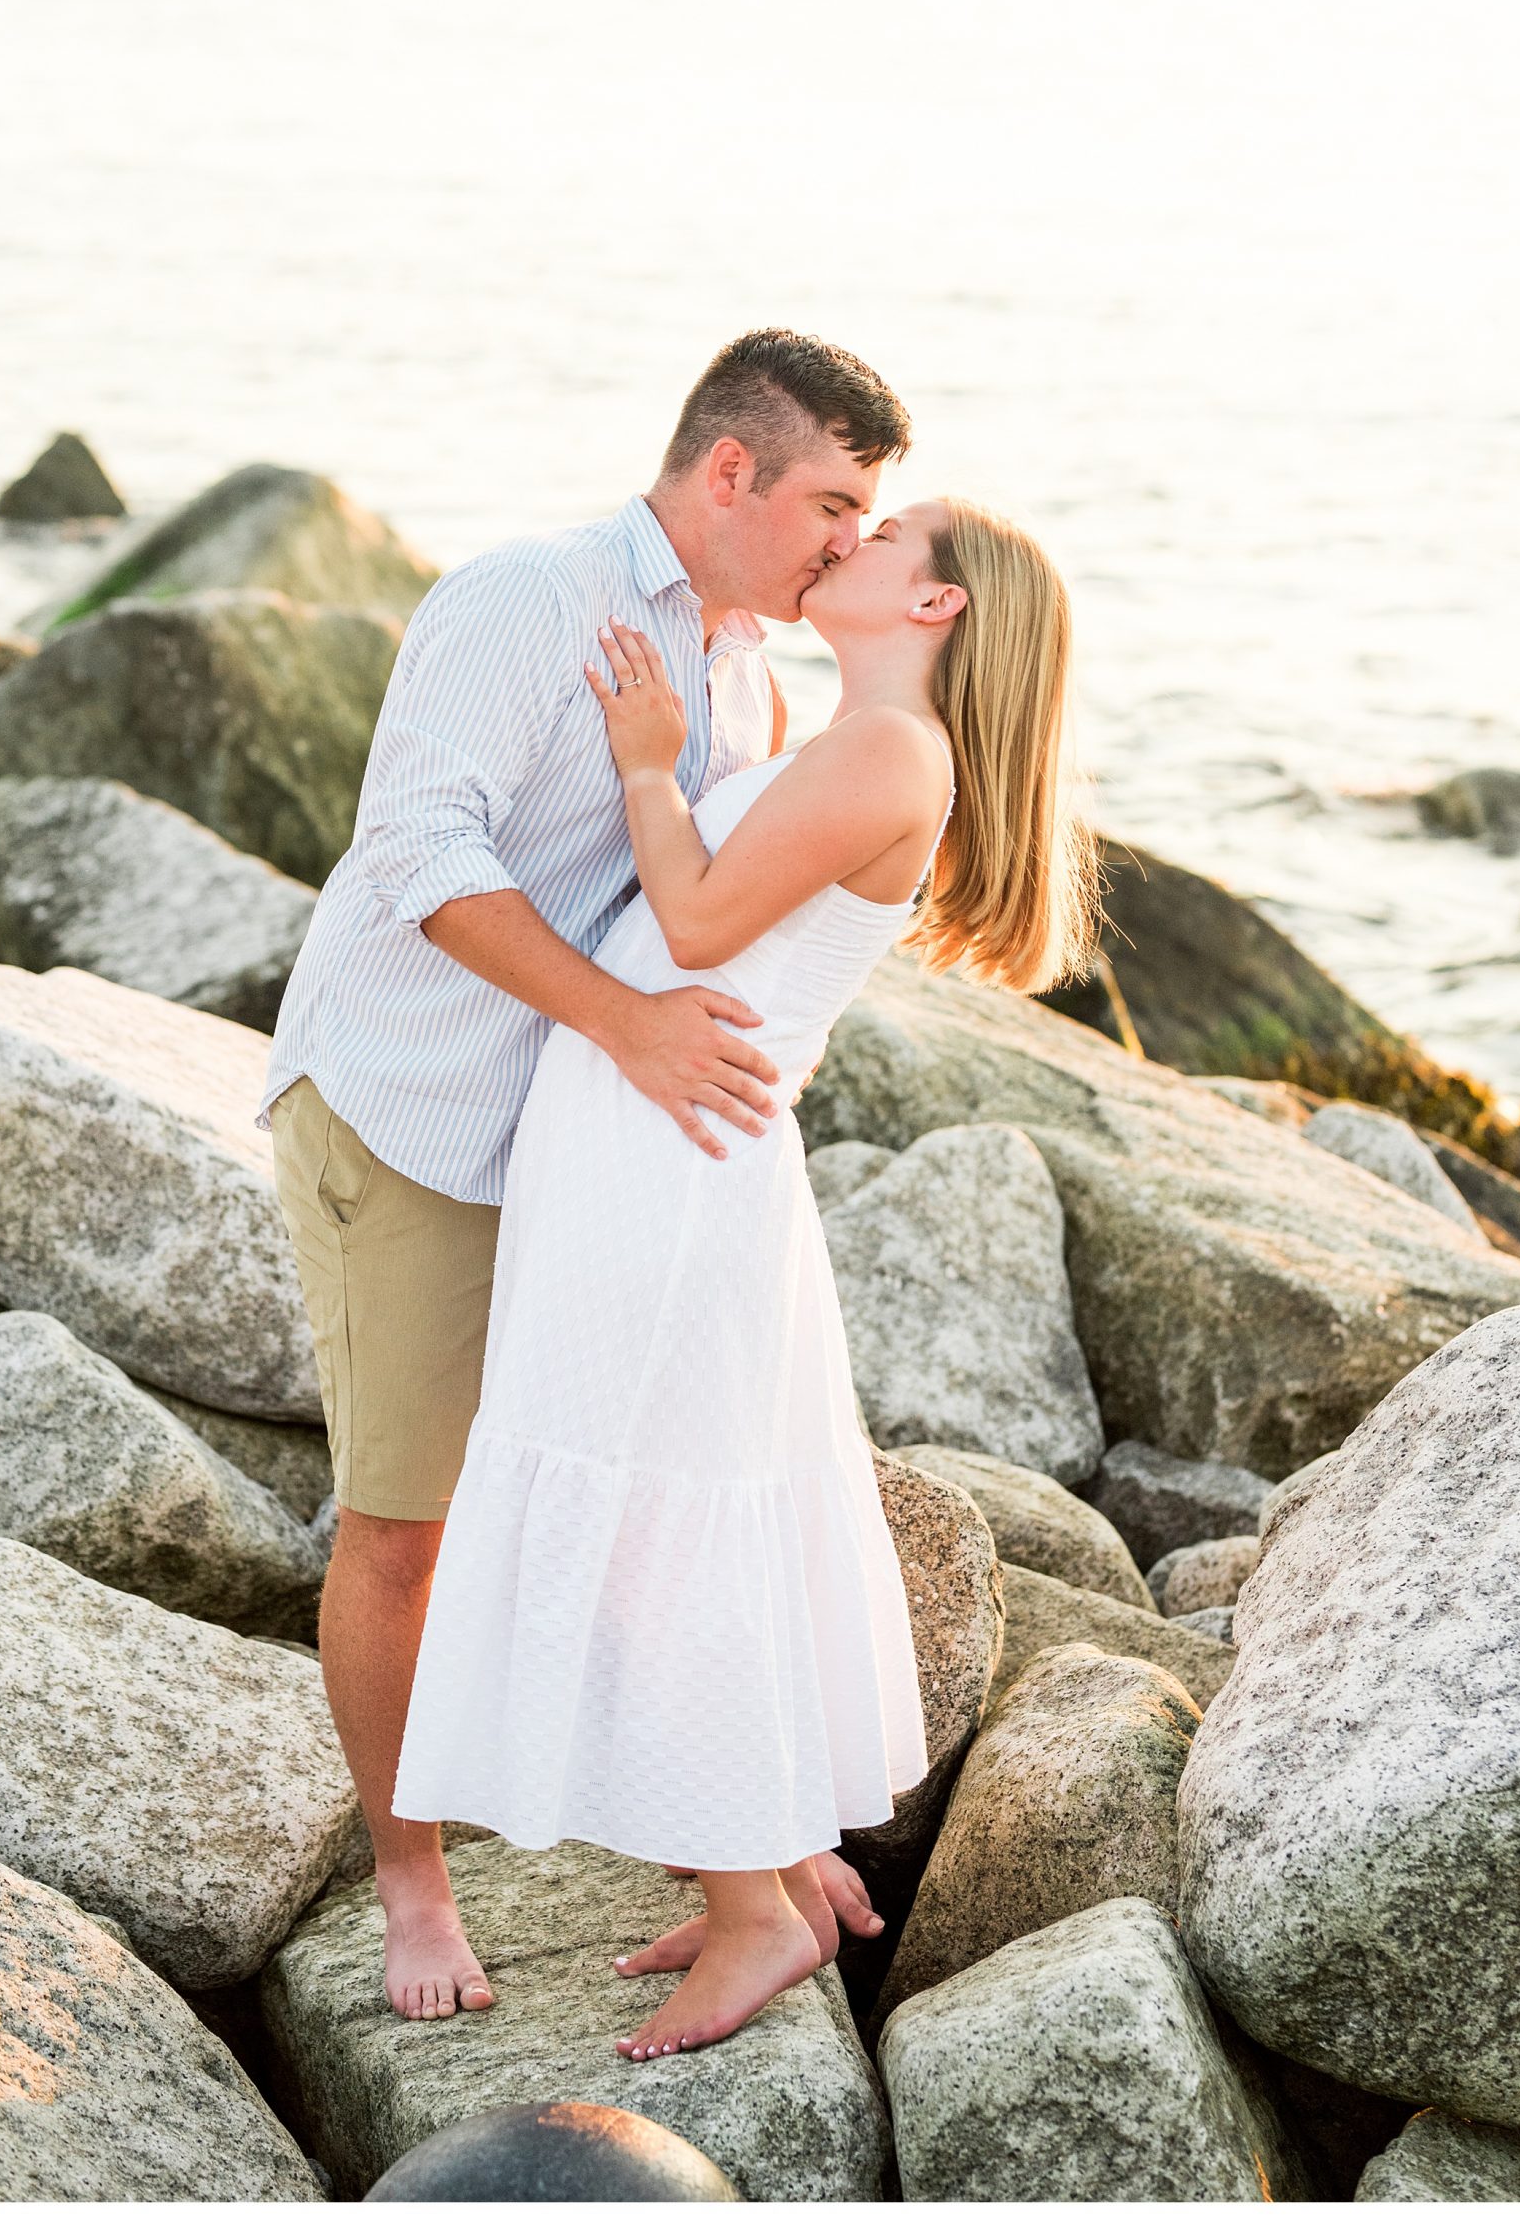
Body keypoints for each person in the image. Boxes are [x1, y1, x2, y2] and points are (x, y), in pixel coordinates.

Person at [257, 330, 915, 2019]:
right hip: (414, 1113)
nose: (851, 537)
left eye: (874, 514)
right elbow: (414, 853)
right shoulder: (528, 599)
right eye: (833, 500)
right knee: (405, 1525)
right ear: (729, 473)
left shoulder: (753, 677)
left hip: (594, 1160)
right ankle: (412, 1886)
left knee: (618, 1495)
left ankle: (734, 1851)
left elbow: (732, 922)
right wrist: (627, 1026)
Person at [391, 493, 1098, 2056]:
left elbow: (699, 921)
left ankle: (755, 1917)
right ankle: (761, 1868)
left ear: (939, 607)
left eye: (886, 531)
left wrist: (647, 762)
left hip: (669, 1161)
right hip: (656, 1142)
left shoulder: (890, 751)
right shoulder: (860, 737)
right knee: (674, 1500)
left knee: (655, 1520)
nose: (853, 540)